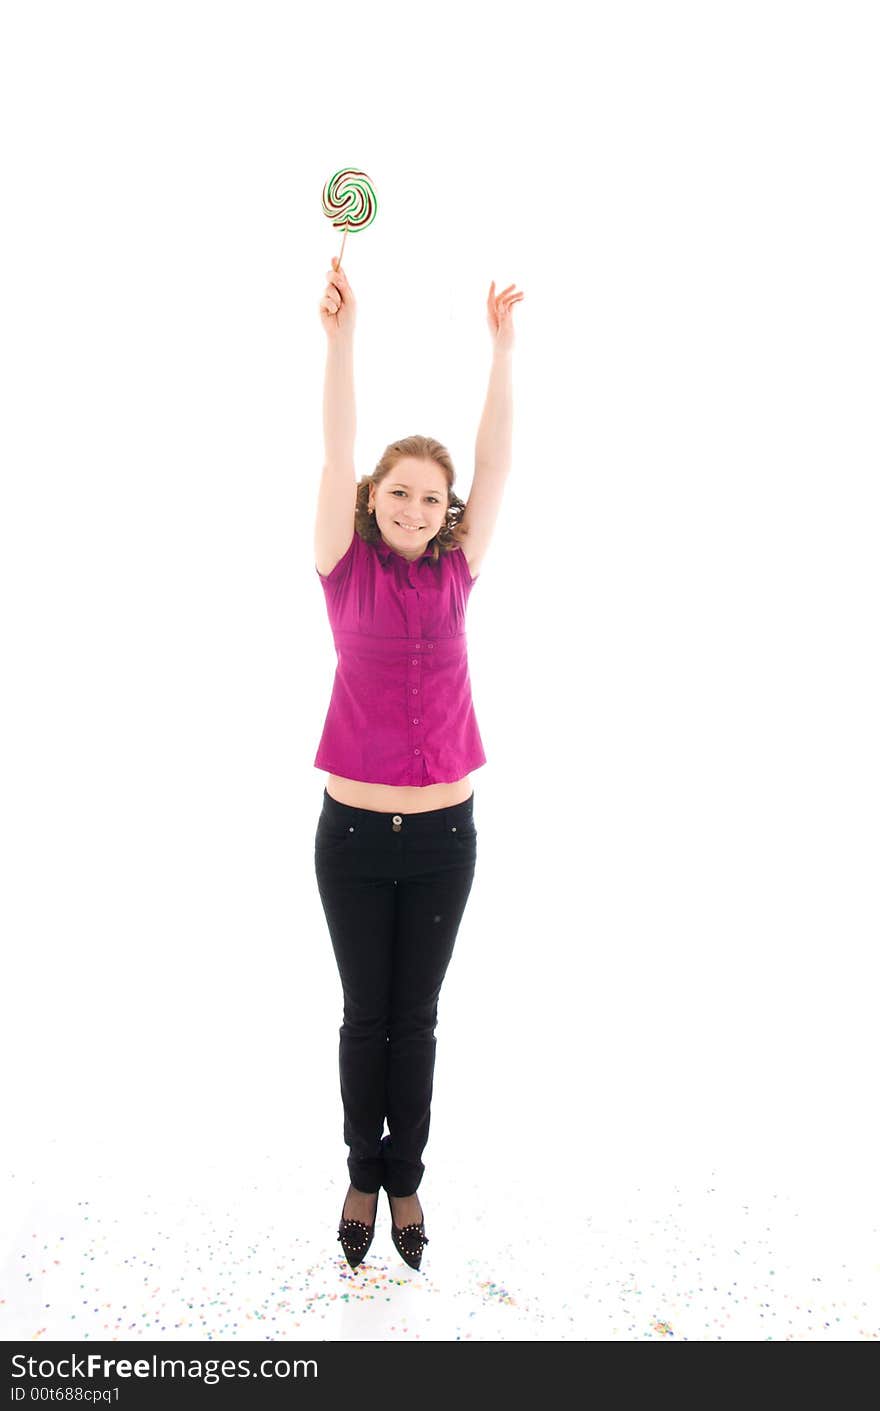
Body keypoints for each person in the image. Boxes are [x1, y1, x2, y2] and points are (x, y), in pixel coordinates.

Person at [314, 254, 524, 1271]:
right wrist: (342, 338)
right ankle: (362, 1167)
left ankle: (408, 1182)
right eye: (395, 492)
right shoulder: (342, 567)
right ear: (374, 498)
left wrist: (502, 353)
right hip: (351, 835)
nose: (410, 507)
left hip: (444, 836)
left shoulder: (457, 572)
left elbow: (497, 462)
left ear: (447, 511)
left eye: (428, 498)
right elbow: (334, 444)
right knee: (366, 1013)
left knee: (418, 1017)